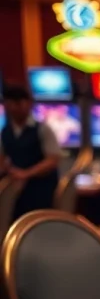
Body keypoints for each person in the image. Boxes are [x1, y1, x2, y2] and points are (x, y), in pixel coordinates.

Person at [0, 86, 61, 220]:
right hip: (15, 190)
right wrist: (9, 171)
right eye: (10, 104)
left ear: (29, 103)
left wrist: (26, 174)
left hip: (40, 188)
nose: (14, 109)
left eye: (18, 104)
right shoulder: (6, 131)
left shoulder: (42, 129)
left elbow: (53, 160)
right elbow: (3, 158)